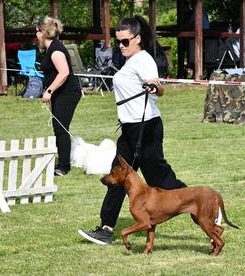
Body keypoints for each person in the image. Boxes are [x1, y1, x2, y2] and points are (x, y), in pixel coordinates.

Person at [78, 15, 187, 245]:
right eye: (118, 41)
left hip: (146, 127)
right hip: (129, 130)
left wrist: (154, 86)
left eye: (125, 41)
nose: (120, 45)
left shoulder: (143, 59)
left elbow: (158, 86)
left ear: (137, 39)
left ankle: (200, 202)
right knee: (117, 177)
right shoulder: (130, 61)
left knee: (160, 178)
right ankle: (106, 229)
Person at [36, 16, 82, 176]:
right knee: (59, 127)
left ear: (41, 32)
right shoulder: (50, 48)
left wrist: (49, 91)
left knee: (61, 128)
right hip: (60, 93)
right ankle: (63, 161)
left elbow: (64, 73)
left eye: (36, 32)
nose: (36, 36)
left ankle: (63, 166)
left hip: (68, 93)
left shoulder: (56, 50)